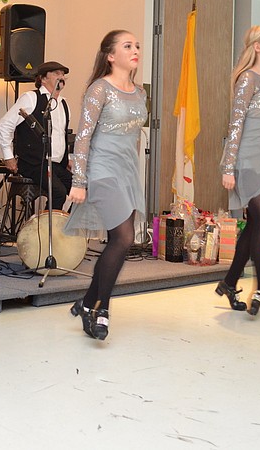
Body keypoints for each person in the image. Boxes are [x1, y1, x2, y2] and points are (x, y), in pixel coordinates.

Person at [65, 30, 147, 341]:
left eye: (137, 45)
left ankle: (86, 303)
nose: (135, 49)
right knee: (124, 239)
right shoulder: (99, 89)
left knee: (117, 241)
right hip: (102, 169)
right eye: (127, 46)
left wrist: (134, 171)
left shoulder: (139, 93)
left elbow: (135, 137)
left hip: (126, 170)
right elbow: (83, 136)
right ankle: (101, 309)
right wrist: (79, 181)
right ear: (111, 56)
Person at [217, 25, 260, 317]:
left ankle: (230, 282)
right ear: (258, 46)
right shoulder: (247, 79)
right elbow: (235, 124)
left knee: (257, 223)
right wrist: (228, 165)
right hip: (246, 157)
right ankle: (259, 286)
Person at [0, 61, 73, 211]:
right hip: (34, 163)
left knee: (81, 190)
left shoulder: (64, 104)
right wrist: (8, 156)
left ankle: (64, 228)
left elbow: (61, 134)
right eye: (56, 73)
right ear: (43, 78)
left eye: (63, 74)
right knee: (58, 192)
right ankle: (45, 232)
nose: (61, 77)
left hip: (55, 164)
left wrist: (68, 159)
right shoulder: (31, 98)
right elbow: (4, 124)